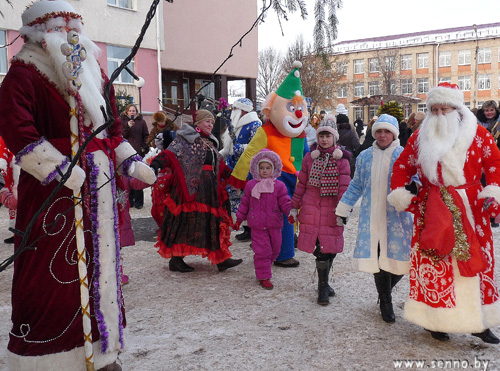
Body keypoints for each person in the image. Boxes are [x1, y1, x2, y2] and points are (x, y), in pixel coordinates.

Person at [0, 1, 157, 369]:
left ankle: (103, 351)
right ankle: (56, 358)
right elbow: (15, 125)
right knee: (54, 275)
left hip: (97, 191)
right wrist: (56, 166)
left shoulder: (95, 72)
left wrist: (129, 159)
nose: (71, 36)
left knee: (102, 268)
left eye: (75, 29)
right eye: (61, 29)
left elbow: (110, 127)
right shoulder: (24, 72)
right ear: (40, 32)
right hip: (53, 193)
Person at [388, 82, 500, 344]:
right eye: (433, 109)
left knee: (475, 263)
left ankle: (479, 322)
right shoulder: (419, 136)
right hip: (432, 208)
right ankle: (435, 319)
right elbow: (402, 165)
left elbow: (494, 163)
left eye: (444, 108)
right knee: (436, 264)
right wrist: (402, 194)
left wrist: (493, 192)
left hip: (471, 208)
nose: (438, 114)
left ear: (457, 108)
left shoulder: (480, 135)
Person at [228, 61, 309, 268]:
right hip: (274, 181)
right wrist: (240, 177)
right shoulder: (266, 131)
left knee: (293, 213)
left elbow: (307, 156)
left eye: (299, 108)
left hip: (296, 178)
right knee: (281, 214)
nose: (297, 114)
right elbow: (250, 154)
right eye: (291, 108)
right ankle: (283, 254)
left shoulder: (299, 133)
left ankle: (284, 243)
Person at [336, 114, 413, 323]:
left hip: (398, 219)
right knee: (379, 260)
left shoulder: (404, 155)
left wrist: (413, 192)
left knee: (401, 260)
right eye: (379, 131)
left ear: (394, 133)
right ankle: (386, 301)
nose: (382, 135)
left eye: (387, 131)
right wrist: (343, 207)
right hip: (372, 218)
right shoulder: (364, 157)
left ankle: (384, 292)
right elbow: (356, 185)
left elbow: (415, 182)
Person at [150, 109, 242, 273]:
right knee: (186, 222)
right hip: (188, 192)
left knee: (212, 223)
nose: (210, 125)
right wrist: (155, 165)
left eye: (212, 122)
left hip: (208, 191)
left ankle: (222, 259)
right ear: (198, 122)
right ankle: (176, 260)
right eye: (207, 121)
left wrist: (238, 180)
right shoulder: (184, 139)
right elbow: (169, 154)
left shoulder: (209, 143)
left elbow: (219, 165)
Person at [288, 117, 351, 305]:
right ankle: (323, 286)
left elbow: (344, 187)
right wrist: (294, 206)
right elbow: (302, 185)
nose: (324, 140)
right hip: (311, 208)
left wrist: (343, 210)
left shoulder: (343, 160)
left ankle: (324, 282)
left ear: (334, 138)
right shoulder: (310, 158)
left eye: (328, 136)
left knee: (330, 248)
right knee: (320, 248)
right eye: (321, 136)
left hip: (332, 210)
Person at [235, 149, 291, 289]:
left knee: (275, 249)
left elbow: (285, 202)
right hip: (257, 225)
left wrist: (291, 214)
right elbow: (245, 204)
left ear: (273, 168)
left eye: (268, 168)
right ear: (257, 168)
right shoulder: (251, 185)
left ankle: (265, 264)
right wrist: (238, 219)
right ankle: (264, 275)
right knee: (262, 251)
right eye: (262, 168)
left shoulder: (279, 186)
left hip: (274, 224)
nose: (265, 171)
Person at [219, 97, 262, 242]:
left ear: (243, 110)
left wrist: (238, 148)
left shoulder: (255, 124)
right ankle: (245, 227)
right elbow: (228, 147)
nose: (233, 111)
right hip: (234, 166)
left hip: (247, 168)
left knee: (247, 197)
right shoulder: (236, 125)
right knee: (238, 198)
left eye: (236, 109)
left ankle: (251, 229)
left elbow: (257, 146)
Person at [120, 103, 149, 209]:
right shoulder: (122, 121)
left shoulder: (141, 121)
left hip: (138, 152)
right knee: (127, 176)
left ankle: (139, 202)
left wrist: (144, 146)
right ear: (127, 112)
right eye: (130, 111)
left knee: (138, 175)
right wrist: (128, 126)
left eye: (134, 111)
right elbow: (121, 135)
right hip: (126, 152)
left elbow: (146, 135)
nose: (132, 112)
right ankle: (130, 201)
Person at [336, 113, 360, 178]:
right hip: (349, 159)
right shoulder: (351, 132)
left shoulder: (332, 132)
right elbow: (357, 146)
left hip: (335, 158)